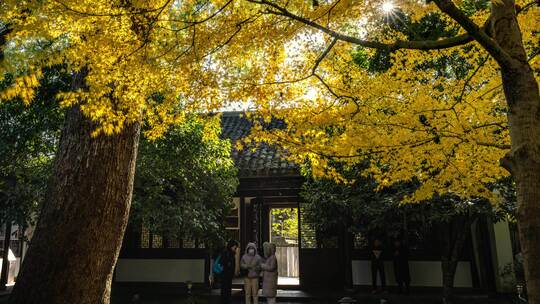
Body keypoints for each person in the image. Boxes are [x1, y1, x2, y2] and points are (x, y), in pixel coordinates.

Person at [220, 239, 239, 304]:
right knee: (226, 290)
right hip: (226, 274)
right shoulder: (227, 253)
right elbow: (225, 263)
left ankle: (226, 301)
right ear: (232, 246)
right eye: (235, 247)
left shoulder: (229, 252)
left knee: (226, 289)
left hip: (227, 274)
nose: (235, 248)